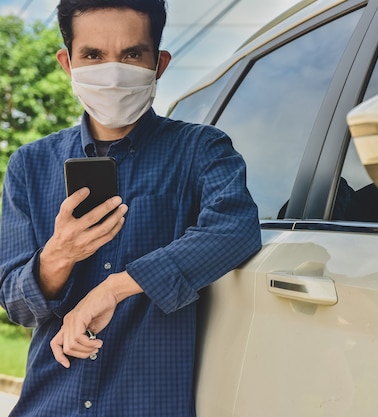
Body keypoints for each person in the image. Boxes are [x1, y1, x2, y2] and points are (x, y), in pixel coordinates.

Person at [0, 0, 261, 415]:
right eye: (93, 55)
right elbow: (15, 303)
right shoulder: (29, 165)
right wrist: (58, 255)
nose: (113, 70)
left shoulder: (201, 149)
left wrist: (114, 287)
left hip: (147, 403)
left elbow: (234, 230)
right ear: (67, 63)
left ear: (159, 63)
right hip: (50, 404)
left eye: (132, 54)